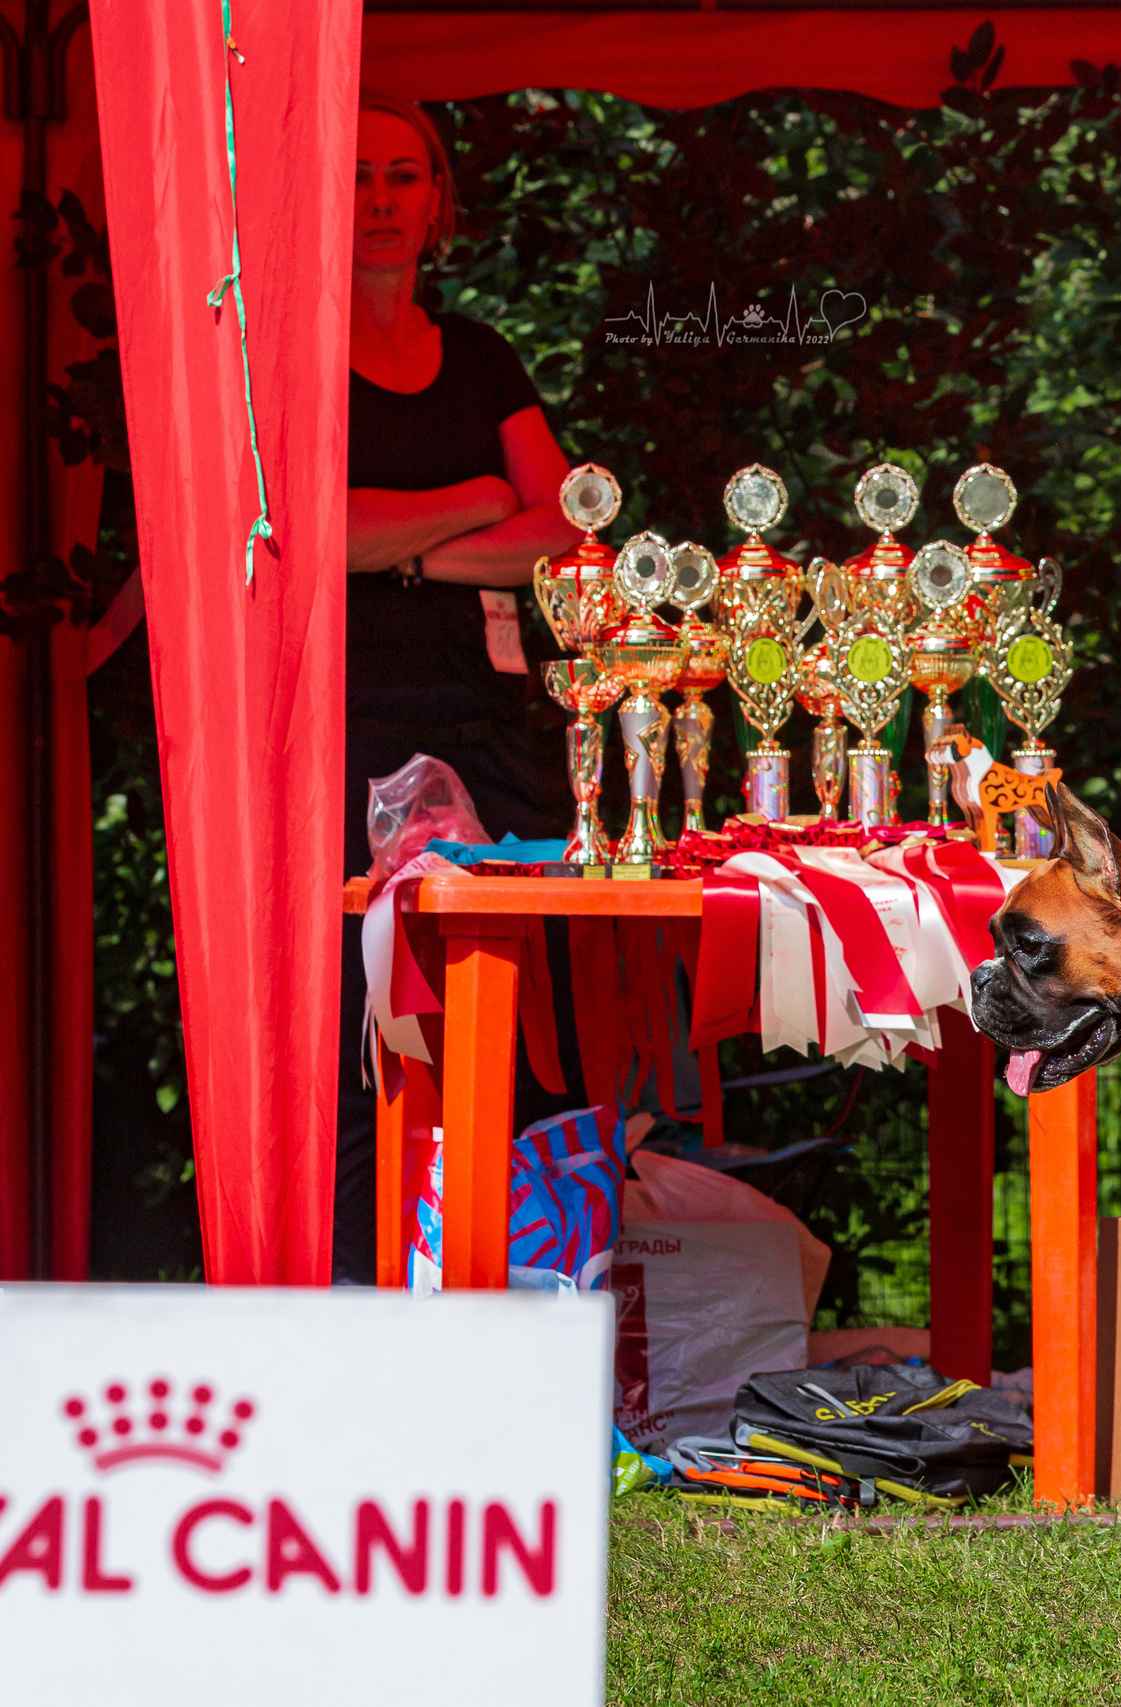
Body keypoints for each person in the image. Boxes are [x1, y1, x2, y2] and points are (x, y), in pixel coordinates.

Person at [335, 93, 584, 1278]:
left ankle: (518, 1289)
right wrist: (480, 504)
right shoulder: (288, 347)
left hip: (490, 734)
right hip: (347, 738)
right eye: (358, 176)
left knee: (526, 1024)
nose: (380, 200)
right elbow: (317, 533)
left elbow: (569, 530)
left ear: (440, 201)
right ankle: (351, 1295)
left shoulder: (481, 353)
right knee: (366, 1031)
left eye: (403, 176)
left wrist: (415, 554)